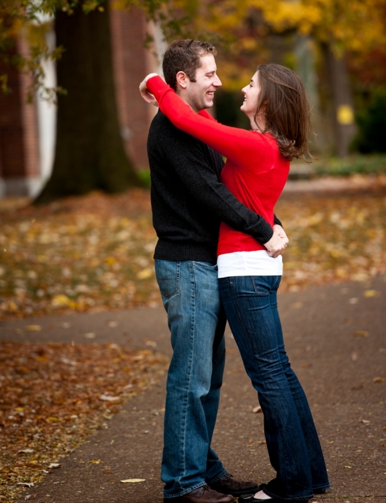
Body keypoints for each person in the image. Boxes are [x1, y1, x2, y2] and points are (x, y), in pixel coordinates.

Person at [141, 60, 330, 502]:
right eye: (212, 74)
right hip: (236, 265)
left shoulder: (254, 144)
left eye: (250, 83)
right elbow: (199, 126)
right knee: (269, 373)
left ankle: (292, 483)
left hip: (244, 270)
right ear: (185, 79)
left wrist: (154, 83)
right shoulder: (262, 144)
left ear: (268, 100)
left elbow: (195, 124)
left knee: (267, 377)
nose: (231, 85)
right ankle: (301, 477)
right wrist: (269, 225)